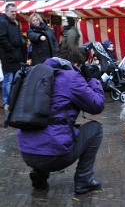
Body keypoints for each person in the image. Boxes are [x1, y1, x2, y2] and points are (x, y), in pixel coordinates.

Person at [17, 44, 105, 194]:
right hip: (55, 157)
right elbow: (97, 105)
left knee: (48, 123)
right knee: (95, 129)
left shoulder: (34, 72)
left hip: (26, 152)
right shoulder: (72, 77)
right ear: (76, 64)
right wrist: (92, 79)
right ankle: (84, 180)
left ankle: (39, 175)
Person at [0, 3, 27, 110]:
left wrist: (23, 41)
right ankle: (7, 103)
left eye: (15, 11)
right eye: (12, 11)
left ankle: (13, 101)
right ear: (6, 11)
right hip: (8, 57)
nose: (14, 13)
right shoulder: (2, 22)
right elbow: (2, 39)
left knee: (15, 80)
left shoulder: (15, 23)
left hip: (17, 56)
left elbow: (19, 38)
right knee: (8, 80)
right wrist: (12, 51)